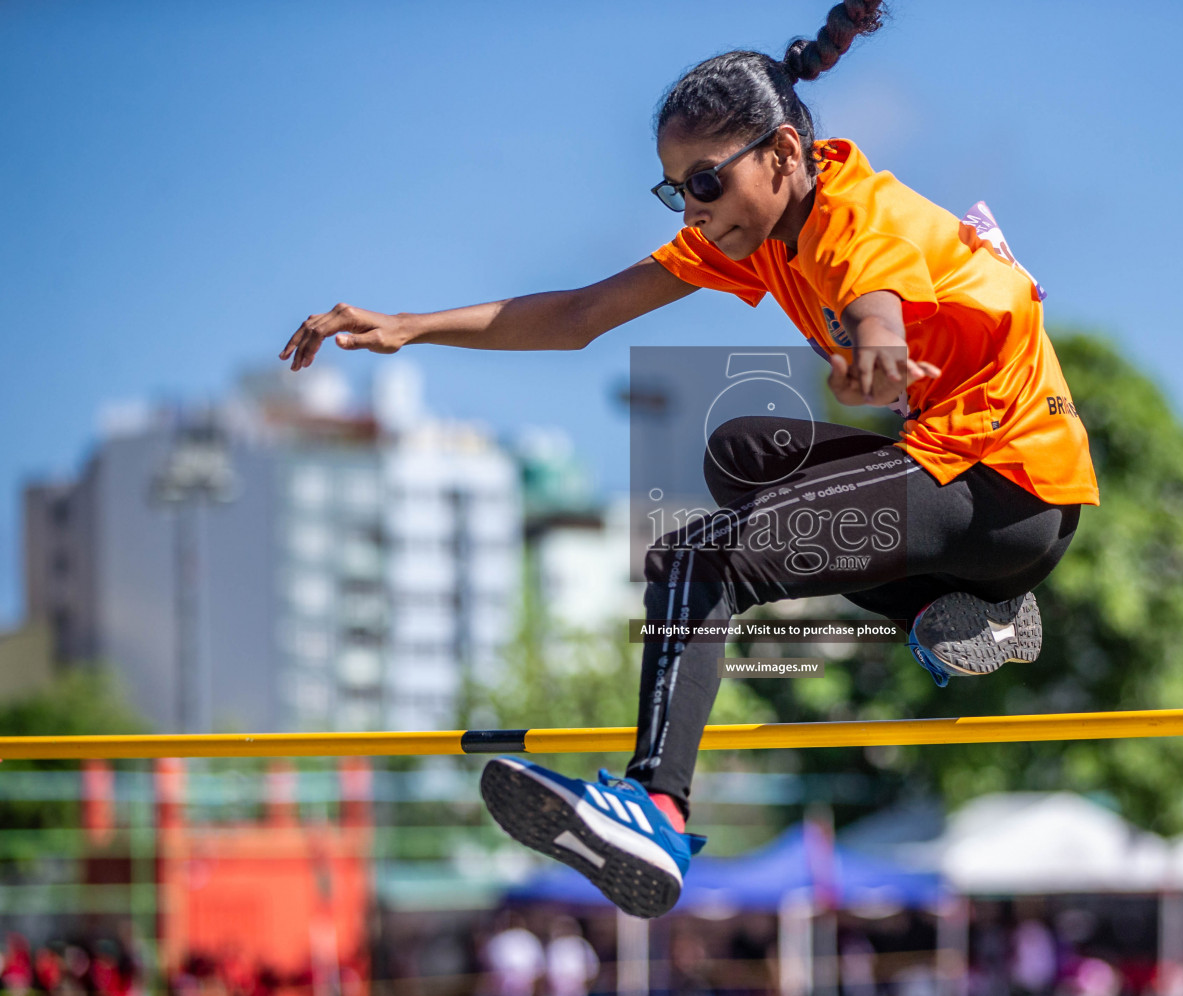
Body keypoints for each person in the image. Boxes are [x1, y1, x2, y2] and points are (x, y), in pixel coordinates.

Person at [279, 0, 1097, 919]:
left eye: (706, 182)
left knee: (700, 556)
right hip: (962, 484)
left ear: (783, 156)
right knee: (739, 456)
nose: (697, 212)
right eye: (678, 192)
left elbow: (876, 299)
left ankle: (657, 807)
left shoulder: (860, 217)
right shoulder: (756, 238)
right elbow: (582, 315)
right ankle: (976, 610)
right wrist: (408, 326)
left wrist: (874, 351)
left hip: (1003, 488)